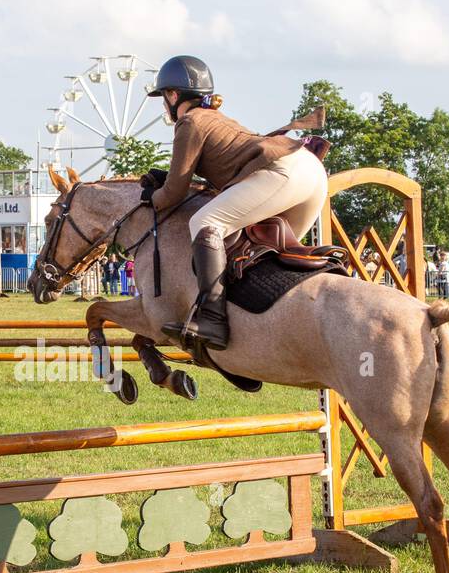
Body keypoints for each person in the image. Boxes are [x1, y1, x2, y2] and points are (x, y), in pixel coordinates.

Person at [140, 54, 327, 351]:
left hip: (283, 172)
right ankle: (261, 332)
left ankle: (212, 319)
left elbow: (174, 194)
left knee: (204, 222)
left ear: (174, 95)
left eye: (164, 97)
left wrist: (152, 197)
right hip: (311, 173)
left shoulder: (189, 121)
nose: (164, 105)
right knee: (266, 254)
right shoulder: (217, 119)